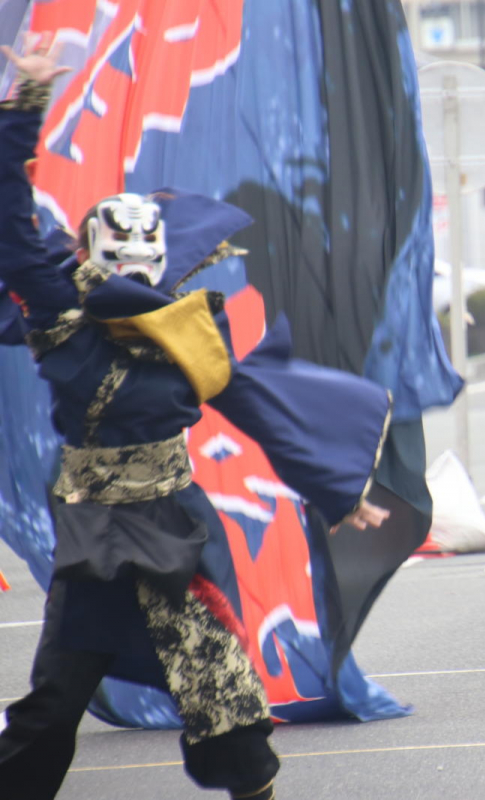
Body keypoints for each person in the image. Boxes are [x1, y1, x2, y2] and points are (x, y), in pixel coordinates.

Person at [0, 37, 394, 800]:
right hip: (97, 535)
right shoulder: (62, 314)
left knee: (226, 697)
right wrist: (27, 107)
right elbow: (12, 229)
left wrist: (339, 490)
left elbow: (263, 406)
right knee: (55, 702)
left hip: (175, 528)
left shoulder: (186, 331)